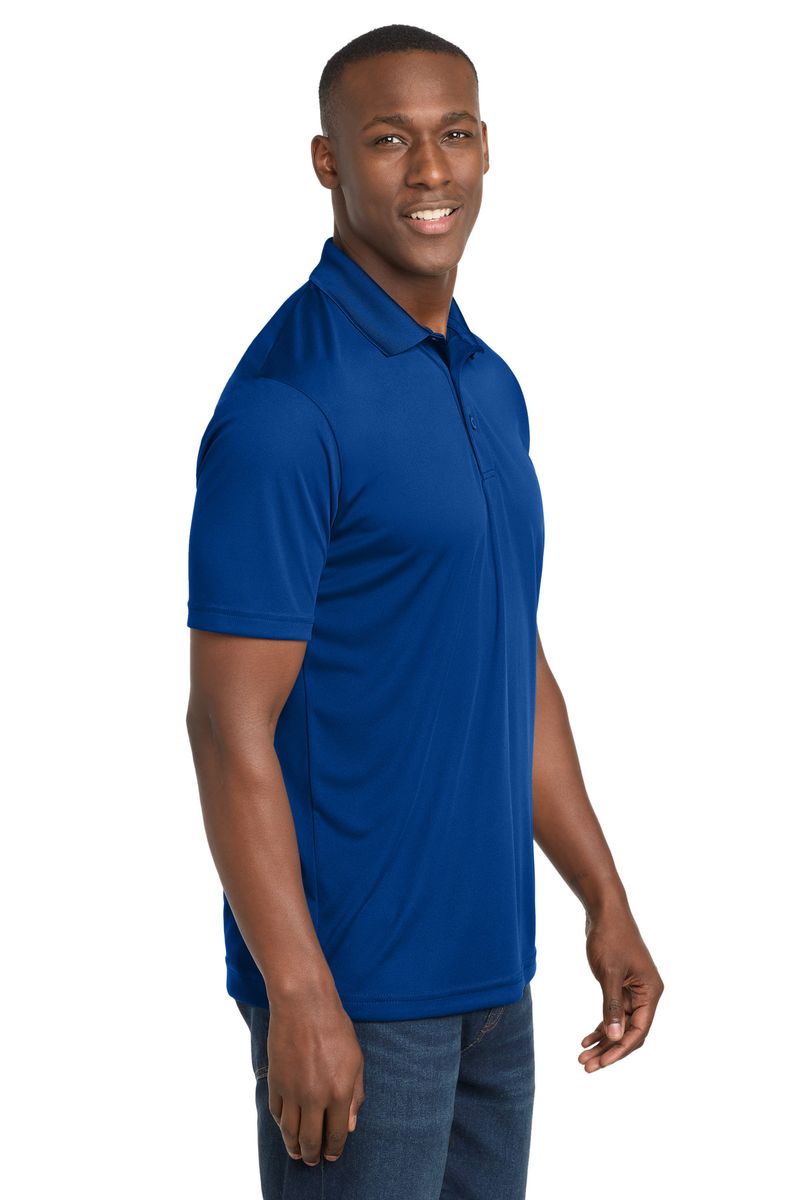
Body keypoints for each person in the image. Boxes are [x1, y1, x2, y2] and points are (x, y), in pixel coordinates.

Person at [185, 23, 664, 1200]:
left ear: (487, 148)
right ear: (327, 161)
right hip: (355, 991)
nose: (430, 169)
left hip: (492, 976)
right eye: (388, 140)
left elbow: (508, 657)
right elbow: (227, 724)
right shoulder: (286, 407)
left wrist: (601, 898)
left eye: (452, 134)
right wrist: (299, 990)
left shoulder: (487, 384)